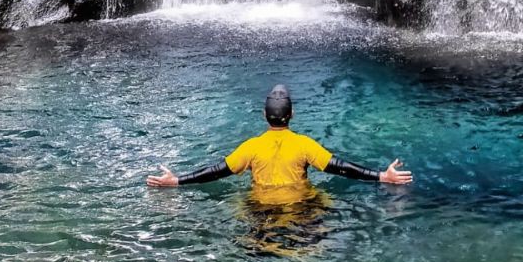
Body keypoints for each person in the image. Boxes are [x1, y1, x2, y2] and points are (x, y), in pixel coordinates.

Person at [146, 84, 413, 191]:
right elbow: (342, 168)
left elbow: (216, 171)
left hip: (260, 215)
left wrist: (177, 180)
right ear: (292, 114)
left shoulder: (251, 147)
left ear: (264, 115)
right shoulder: (305, 145)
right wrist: (382, 176)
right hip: (300, 213)